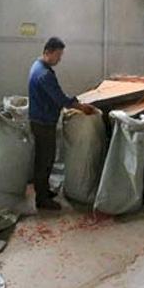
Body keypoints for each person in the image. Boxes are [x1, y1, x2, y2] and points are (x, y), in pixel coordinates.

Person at [28, 37, 96, 210]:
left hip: (39, 119)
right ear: (48, 52)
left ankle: (42, 190)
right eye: (58, 55)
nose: (60, 59)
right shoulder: (44, 74)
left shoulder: (39, 67)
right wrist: (80, 106)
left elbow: (57, 94)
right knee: (45, 159)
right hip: (43, 122)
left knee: (43, 158)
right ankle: (42, 199)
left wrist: (71, 101)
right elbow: (59, 98)